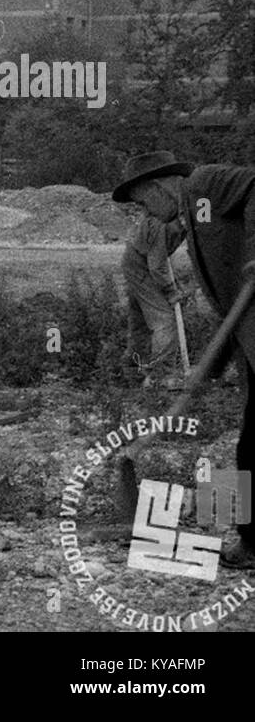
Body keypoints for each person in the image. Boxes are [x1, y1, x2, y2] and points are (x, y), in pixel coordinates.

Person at [114, 151, 255, 570]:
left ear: (158, 186)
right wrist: (208, 371)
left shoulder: (205, 182)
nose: (145, 212)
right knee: (248, 441)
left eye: (142, 202)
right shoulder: (191, 220)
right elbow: (234, 309)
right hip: (249, 338)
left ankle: (249, 541)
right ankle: (244, 536)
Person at [121, 209, 187, 386]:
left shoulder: (176, 223)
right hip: (140, 266)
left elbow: (162, 258)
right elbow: (156, 265)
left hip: (137, 261)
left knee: (141, 321)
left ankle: (134, 371)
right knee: (164, 320)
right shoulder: (163, 224)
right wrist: (171, 291)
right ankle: (161, 376)